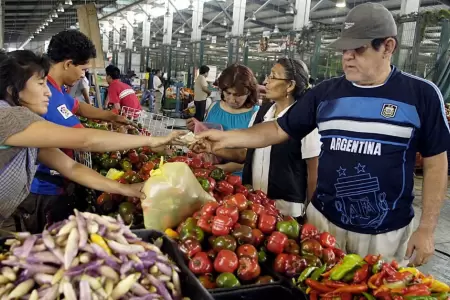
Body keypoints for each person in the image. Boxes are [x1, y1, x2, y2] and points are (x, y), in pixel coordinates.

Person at [197, 2, 449, 266]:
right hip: (326, 224)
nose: (347, 57)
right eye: (344, 50)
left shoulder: (420, 95)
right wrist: (225, 138)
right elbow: (278, 128)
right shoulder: (326, 95)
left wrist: (427, 228)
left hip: (386, 231)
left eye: (358, 49)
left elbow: (435, 163)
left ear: (387, 47)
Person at [0, 50, 183, 231]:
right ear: (12, 90)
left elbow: (71, 167)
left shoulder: (29, 129)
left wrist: (127, 189)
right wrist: (150, 141)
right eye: (41, 84)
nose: (48, 93)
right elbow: (86, 140)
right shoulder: (9, 118)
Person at [192, 58, 321, 218]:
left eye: (273, 76)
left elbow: (313, 172)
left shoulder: (304, 122)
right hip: (254, 206)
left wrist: (311, 213)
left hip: (286, 210)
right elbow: (245, 154)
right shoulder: (262, 114)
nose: (266, 81)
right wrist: (213, 148)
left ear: (290, 85)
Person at [187, 64, 259, 175]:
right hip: (208, 172)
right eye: (228, 93)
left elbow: (251, 155)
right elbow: (207, 133)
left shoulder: (256, 114)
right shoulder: (214, 108)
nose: (232, 99)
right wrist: (196, 129)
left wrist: (225, 167)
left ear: (249, 92)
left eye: (238, 95)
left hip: (238, 180)